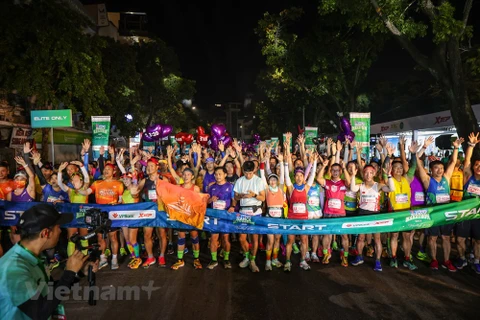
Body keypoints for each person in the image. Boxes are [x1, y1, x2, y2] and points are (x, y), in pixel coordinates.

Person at [0, 204, 96, 320]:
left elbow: (47, 290)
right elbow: (39, 312)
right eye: (58, 227)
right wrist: (69, 273)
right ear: (45, 233)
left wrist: (77, 273)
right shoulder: (14, 268)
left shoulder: (34, 256)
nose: (61, 231)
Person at [417, 137, 464, 272]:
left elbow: (453, 161)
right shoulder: (427, 180)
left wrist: (456, 147)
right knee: (432, 238)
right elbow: (419, 163)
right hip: (432, 215)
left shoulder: (446, 178)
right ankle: (434, 260)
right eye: (436, 168)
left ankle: (447, 260)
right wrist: (424, 147)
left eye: (441, 168)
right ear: (431, 170)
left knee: (446, 238)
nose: (439, 170)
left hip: (445, 214)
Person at [349, 162, 395, 272]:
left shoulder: (378, 185)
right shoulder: (361, 185)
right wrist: (353, 176)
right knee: (361, 238)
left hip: (375, 214)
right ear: (363, 174)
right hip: (362, 213)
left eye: (371, 173)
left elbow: (391, 189)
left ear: (374, 173)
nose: (368, 175)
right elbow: (352, 189)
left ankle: (378, 261)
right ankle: (359, 256)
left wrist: (389, 175)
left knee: (377, 239)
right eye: (366, 173)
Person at [166, 146, 203, 270]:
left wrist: (197, 155)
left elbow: (196, 168)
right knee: (181, 237)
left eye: (188, 174)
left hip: (191, 216)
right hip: (181, 216)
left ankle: (196, 259)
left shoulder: (196, 188)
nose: (186, 176)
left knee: (194, 236)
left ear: (192, 177)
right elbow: (171, 169)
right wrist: (169, 156)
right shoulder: (179, 185)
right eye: (184, 174)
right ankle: (180, 260)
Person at [284, 149, 318, 271]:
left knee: (304, 240)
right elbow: (286, 176)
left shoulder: (306, 187)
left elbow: (312, 175)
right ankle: (288, 261)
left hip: (303, 217)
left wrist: (313, 163)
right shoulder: (291, 187)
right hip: (292, 218)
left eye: (301, 176)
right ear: (295, 177)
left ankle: (303, 260)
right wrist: (285, 162)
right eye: (297, 175)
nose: (298, 178)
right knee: (290, 240)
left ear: (304, 177)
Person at [388, 141, 419, 270]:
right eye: (396, 168)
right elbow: (385, 171)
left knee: (407, 236)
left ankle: (407, 258)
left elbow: (413, 167)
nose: (399, 169)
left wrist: (413, 154)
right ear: (392, 169)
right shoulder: (389, 179)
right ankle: (393, 257)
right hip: (394, 212)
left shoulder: (407, 178)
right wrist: (389, 156)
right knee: (394, 236)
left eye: (401, 167)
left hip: (407, 212)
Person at [234, 161, 266, 272]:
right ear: (243, 171)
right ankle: (247, 256)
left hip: (255, 211)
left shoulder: (259, 181)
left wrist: (254, 195)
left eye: (250, 173)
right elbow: (235, 197)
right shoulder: (239, 181)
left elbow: (263, 198)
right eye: (246, 173)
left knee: (254, 237)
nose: (248, 175)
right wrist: (241, 196)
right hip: (243, 211)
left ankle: (253, 260)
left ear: (254, 171)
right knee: (241, 238)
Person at [455, 132, 480, 273]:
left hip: (478, 215)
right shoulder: (468, 176)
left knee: (478, 241)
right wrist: (471, 145)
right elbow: (467, 162)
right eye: (477, 165)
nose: (479, 167)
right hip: (464, 213)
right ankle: (462, 258)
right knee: (460, 239)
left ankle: (476, 261)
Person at [260, 151, 285, 270]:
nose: (273, 181)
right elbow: (262, 173)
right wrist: (263, 162)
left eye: (275, 180)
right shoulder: (266, 189)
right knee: (270, 240)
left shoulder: (280, 188)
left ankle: (275, 259)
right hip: (269, 217)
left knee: (277, 239)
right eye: (271, 180)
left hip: (279, 217)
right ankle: (268, 261)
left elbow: (283, 176)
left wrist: (281, 161)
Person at [207, 166, 234, 269]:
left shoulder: (230, 186)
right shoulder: (211, 187)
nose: (217, 176)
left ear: (225, 175)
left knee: (225, 238)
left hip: (225, 216)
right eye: (216, 174)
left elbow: (234, 199)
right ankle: (214, 260)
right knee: (214, 238)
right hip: (214, 217)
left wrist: (232, 207)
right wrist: (210, 200)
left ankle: (226, 259)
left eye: (220, 174)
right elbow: (206, 201)